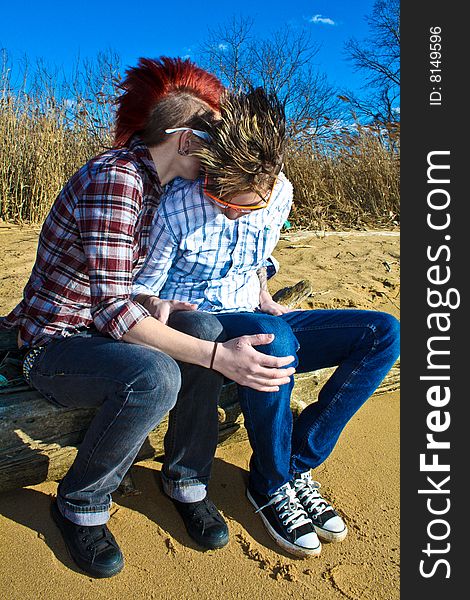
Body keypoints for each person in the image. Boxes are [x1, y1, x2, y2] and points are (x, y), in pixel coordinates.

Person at [0, 60, 296, 578]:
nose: (224, 147)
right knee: (155, 375)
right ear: (186, 141)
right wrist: (218, 357)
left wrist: (165, 303)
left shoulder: (158, 185)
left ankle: (188, 480)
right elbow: (113, 311)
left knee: (201, 325)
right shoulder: (116, 181)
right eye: (216, 134)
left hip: (100, 332)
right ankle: (80, 502)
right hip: (55, 344)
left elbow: (132, 286)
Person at [132, 88, 401, 558]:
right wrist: (164, 308)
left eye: (246, 204)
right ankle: (271, 484)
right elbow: (144, 287)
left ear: (270, 185)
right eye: (220, 195)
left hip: (257, 314)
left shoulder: (282, 195)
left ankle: (297, 462)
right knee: (273, 340)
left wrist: (264, 293)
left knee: (384, 331)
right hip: (207, 324)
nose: (230, 209)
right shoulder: (178, 203)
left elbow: (259, 258)